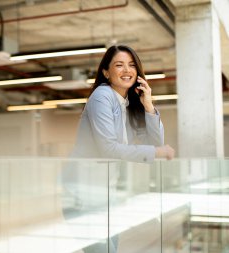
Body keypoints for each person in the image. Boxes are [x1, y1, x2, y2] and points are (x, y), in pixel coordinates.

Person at [61, 45, 175, 253]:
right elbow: (108, 148)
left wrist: (148, 105)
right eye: (119, 65)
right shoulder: (102, 96)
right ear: (106, 72)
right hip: (82, 195)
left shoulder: (129, 104)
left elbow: (156, 140)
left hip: (106, 195)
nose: (127, 70)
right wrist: (156, 153)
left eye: (132, 65)